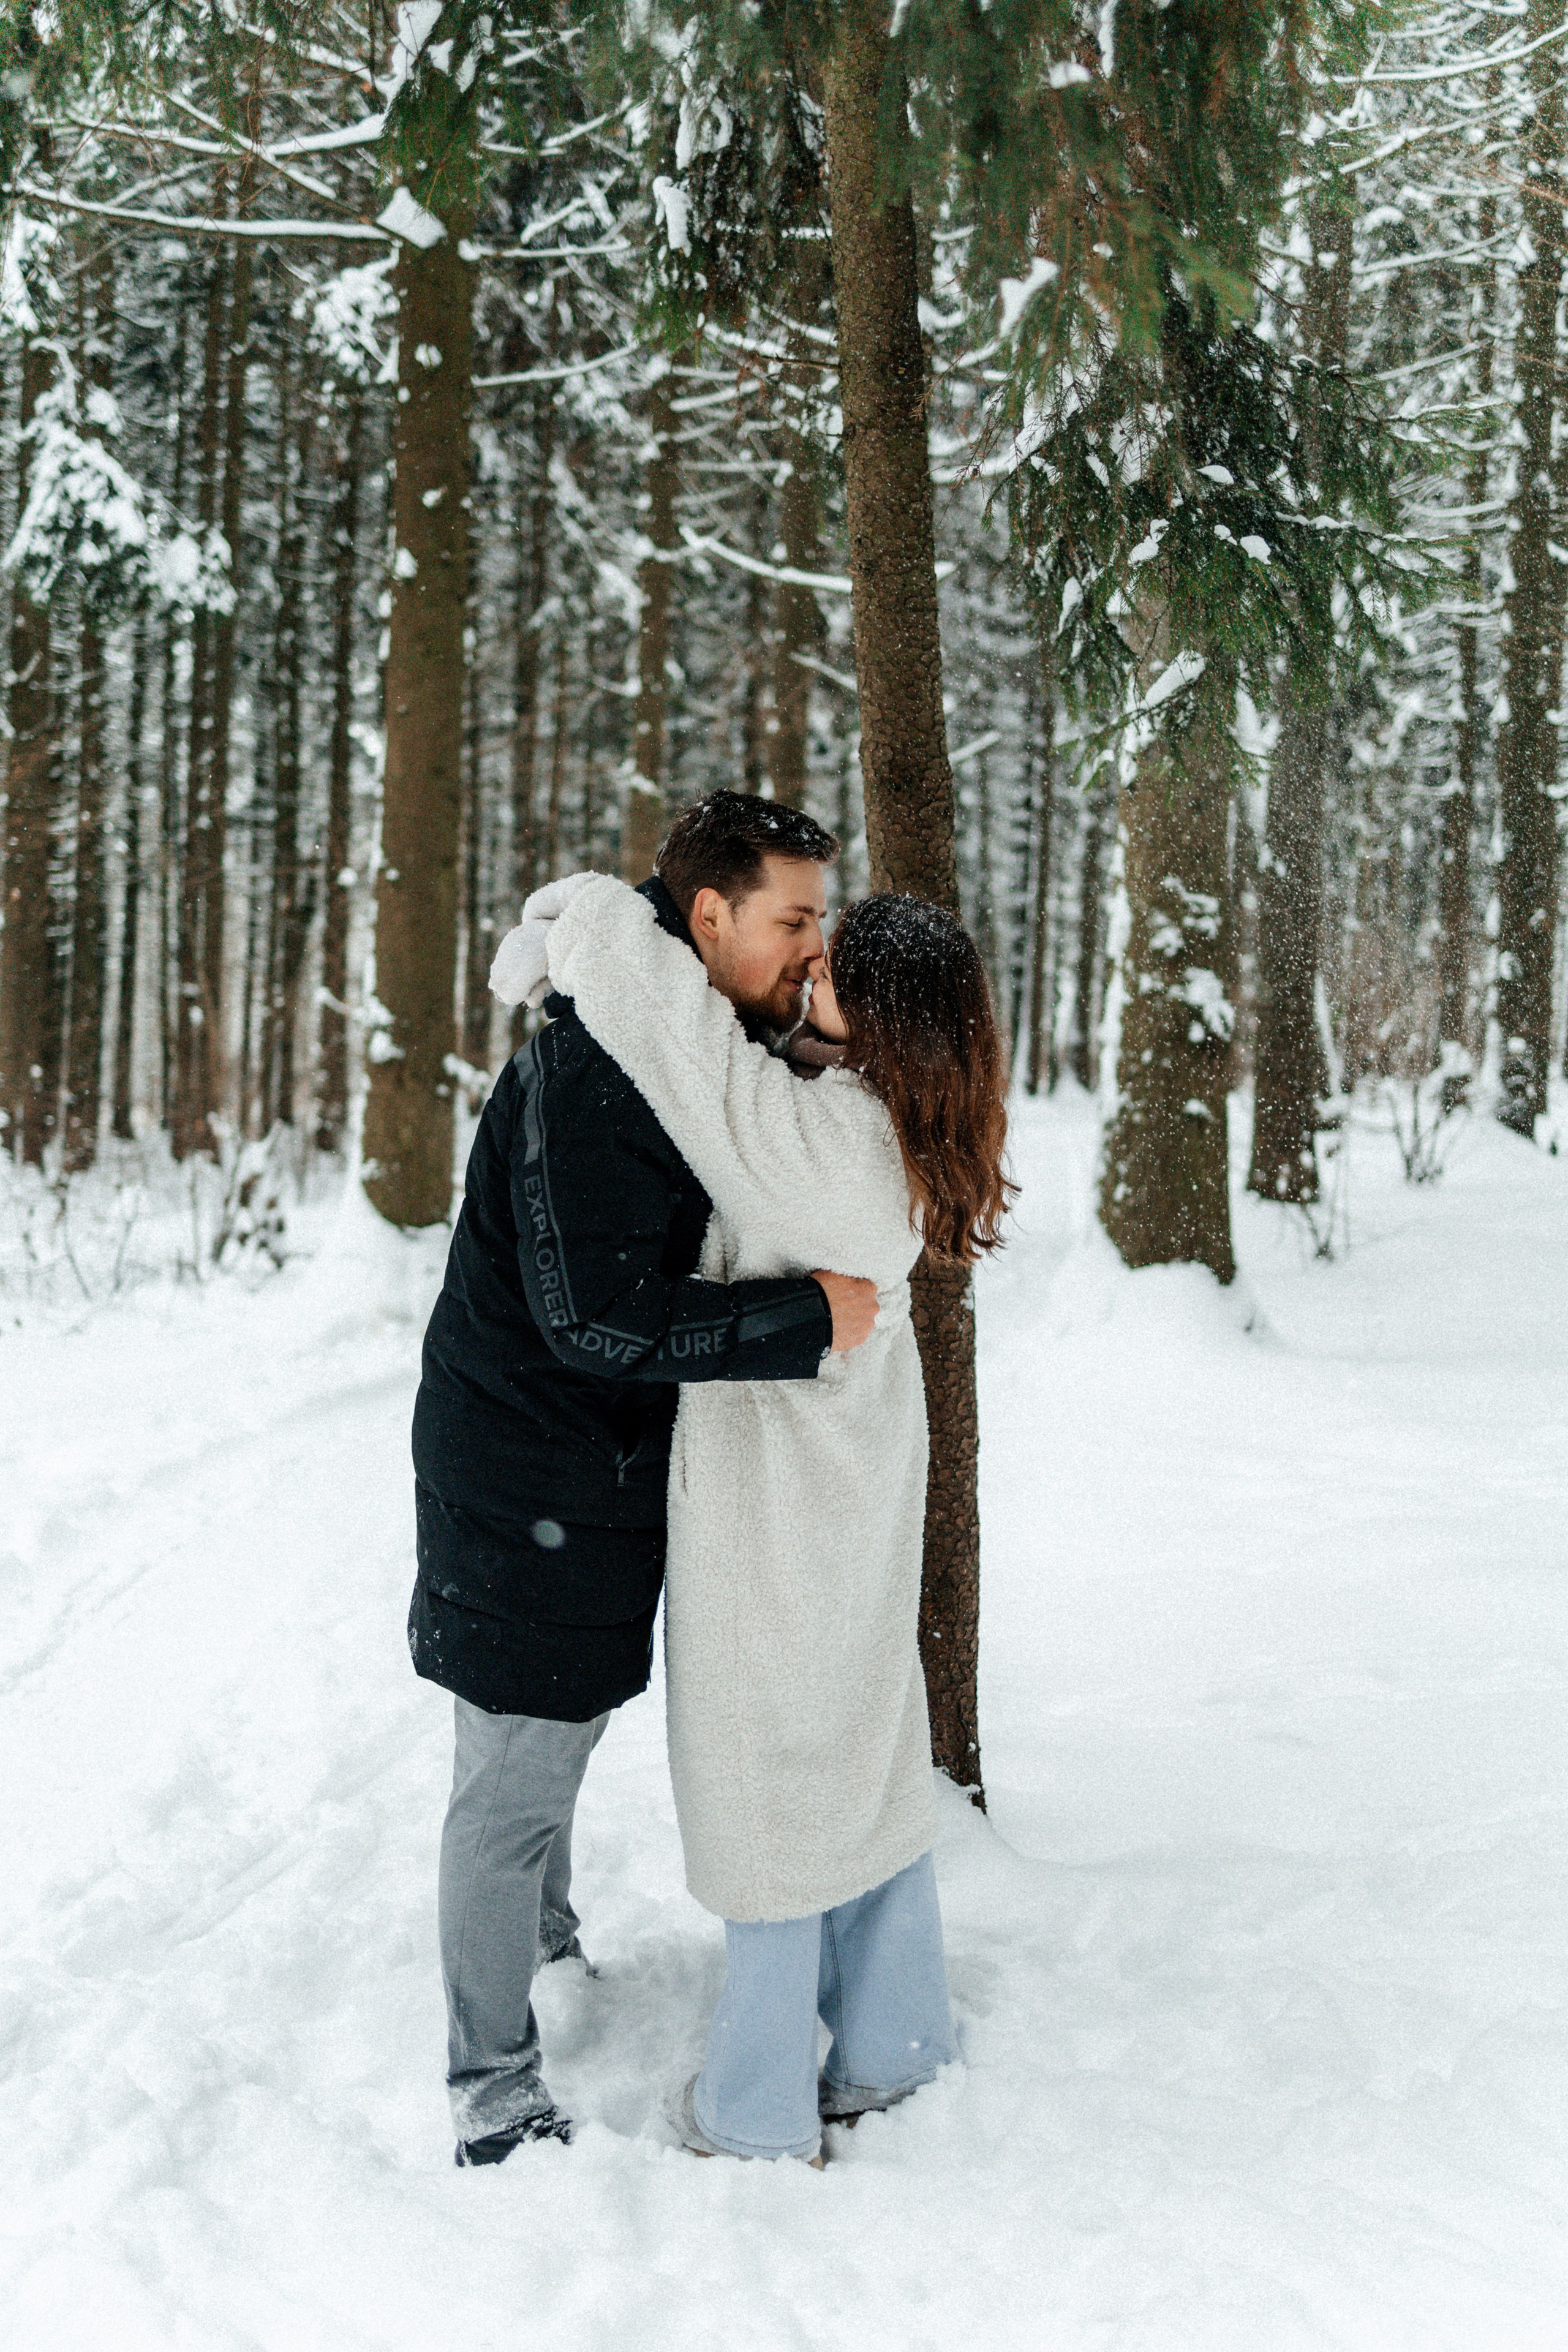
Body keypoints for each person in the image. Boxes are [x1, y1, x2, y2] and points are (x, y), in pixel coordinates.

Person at [409, 793, 880, 2166]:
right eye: (792, 921)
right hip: (529, 1465)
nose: (810, 948)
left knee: (537, 1742)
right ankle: (489, 2081)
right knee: (511, 1778)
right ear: (710, 914)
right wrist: (810, 1323)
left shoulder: (682, 1035)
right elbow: (593, 1319)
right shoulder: (598, 1066)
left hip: (586, 1465)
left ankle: (541, 1943)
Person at [527, 864, 1013, 2166]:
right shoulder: (892, 1120)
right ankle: (892, 2037)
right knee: (852, 1746)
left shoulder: (821, 1146)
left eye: (832, 966)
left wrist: (591, 915)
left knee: (766, 1776)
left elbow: (688, 1058)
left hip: (784, 1508)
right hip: (845, 1489)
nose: (807, 969)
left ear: (887, 1015)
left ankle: (752, 2105)